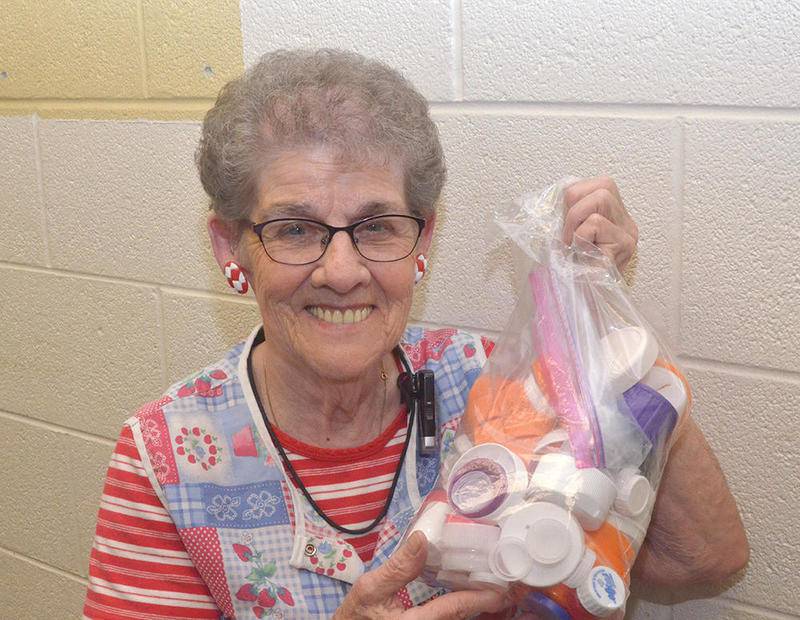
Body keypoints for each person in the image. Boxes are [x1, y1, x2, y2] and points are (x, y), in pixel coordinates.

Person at [83, 49, 748, 619]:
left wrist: (599, 328)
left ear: (422, 240)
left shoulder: (495, 388)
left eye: (377, 227)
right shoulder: (168, 457)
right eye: (294, 228)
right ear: (232, 248)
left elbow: (700, 562)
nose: (341, 272)